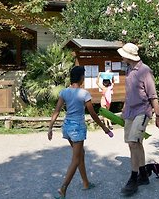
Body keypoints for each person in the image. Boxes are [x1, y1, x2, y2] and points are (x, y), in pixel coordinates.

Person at [47, 66, 113, 199]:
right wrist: (104, 128)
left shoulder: (64, 92)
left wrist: (50, 127)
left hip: (67, 127)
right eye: (84, 75)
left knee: (80, 154)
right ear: (81, 77)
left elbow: (57, 110)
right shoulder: (84, 94)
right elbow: (93, 114)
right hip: (77, 128)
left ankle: (86, 183)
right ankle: (63, 188)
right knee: (76, 159)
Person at [117, 43, 159, 196]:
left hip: (142, 111)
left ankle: (133, 178)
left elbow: (153, 95)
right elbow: (129, 92)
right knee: (134, 145)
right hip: (130, 112)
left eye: (123, 54)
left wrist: (158, 116)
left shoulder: (145, 70)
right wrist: (125, 106)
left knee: (133, 142)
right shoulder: (129, 70)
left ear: (128, 56)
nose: (121, 56)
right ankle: (143, 175)